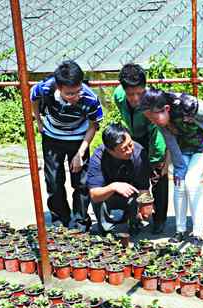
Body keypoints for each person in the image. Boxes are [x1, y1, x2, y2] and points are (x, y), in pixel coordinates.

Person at [138, 88, 203, 245]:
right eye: (149, 118)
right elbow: (170, 141)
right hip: (183, 146)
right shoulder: (160, 120)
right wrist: (179, 168)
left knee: (192, 181)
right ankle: (180, 230)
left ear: (166, 109)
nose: (153, 121)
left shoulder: (187, 104)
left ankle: (198, 232)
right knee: (179, 182)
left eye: (153, 117)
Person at [30, 60, 103, 231]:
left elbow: (93, 126)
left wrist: (80, 153)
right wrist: (38, 121)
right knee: (53, 181)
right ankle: (60, 220)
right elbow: (32, 97)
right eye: (70, 94)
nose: (75, 97)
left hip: (78, 139)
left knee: (82, 183)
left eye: (78, 91)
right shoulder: (46, 88)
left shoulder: (90, 98)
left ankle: (80, 222)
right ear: (59, 87)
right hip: (52, 137)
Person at [113, 64, 169, 234]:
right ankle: (134, 215)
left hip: (153, 135)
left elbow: (158, 134)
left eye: (139, 93)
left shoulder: (152, 102)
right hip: (133, 136)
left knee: (158, 177)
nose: (136, 98)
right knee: (132, 175)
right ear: (124, 90)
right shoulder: (118, 96)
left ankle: (159, 218)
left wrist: (158, 161)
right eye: (131, 94)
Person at [86, 124, 152, 234]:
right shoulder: (98, 157)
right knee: (99, 202)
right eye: (124, 149)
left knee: (136, 205)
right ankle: (106, 228)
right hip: (107, 195)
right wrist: (114, 186)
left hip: (131, 195)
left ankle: (133, 223)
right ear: (110, 150)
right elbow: (94, 195)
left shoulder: (139, 152)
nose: (130, 150)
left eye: (130, 144)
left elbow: (143, 187)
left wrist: (146, 204)